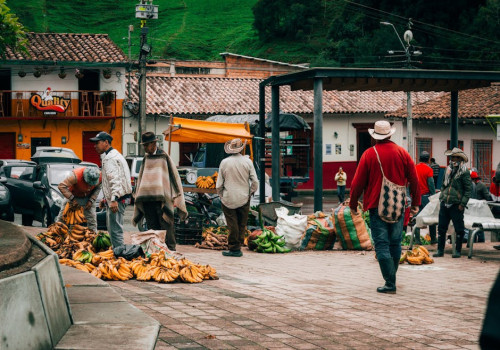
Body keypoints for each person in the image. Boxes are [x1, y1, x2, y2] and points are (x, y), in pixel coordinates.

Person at [349, 120, 420, 294]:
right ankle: (391, 279)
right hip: (398, 205)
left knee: (381, 244)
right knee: (395, 243)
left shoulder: (369, 154)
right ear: (390, 134)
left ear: (375, 136)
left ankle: (390, 282)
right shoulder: (403, 153)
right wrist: (416, 203)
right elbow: (414, 180)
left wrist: (352, 204)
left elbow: (357, 183)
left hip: (375, 204)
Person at [132, 131, 187, 251]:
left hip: (162, 199)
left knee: (166, 226)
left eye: (147, 145)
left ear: (153, 143)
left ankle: (171, 251)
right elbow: (142, 178)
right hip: (147, 199)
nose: (145, 148)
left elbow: (172, 176)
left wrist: (174, 195)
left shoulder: (163, 156)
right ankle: (157, 252)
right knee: (153, 229)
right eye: (144, 145)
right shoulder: (146, 158)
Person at [216, 138, 258, 257]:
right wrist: (251, 192)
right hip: (244, 197)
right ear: (241, 148)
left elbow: (219, 184)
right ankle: (238, 245)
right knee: (241, 223)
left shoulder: (224, 162)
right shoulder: (247, 162)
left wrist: (221, 194)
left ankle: (234, 248)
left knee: (232, 223)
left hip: (228, 197)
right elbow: (255, 181)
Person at [90, 131, 132, 249]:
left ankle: (119, 256)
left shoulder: (110, 158)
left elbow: (115, 180)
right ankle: (117, 252)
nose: (95, 146)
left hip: (118, 199)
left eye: (97, 143)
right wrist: (106, 198)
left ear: (106, 142)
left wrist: (113, 199)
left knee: (115, 231)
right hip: (118, 197)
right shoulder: (113, 155)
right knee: (114, 229)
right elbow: (112, 180)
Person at [433, 147, 472, 259]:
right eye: (452, 157)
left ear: (460, 159)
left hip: (456, 204)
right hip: (445, 202)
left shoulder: (464, 172)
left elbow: (468, 190)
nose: (453, 159)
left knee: (459, 229)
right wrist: (442, 196)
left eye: (455, 157)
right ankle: (440, 250)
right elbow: (443, 185)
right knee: (441, 228)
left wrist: (462, 204)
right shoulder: (447, 169)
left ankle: (458, 251)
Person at [56, 166, 102, 231]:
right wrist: (72, 198)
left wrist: (91, 200)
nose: (89, 186)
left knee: (92, 219)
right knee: (62, 217)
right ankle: (56, 233)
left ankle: (92, 236)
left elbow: (98, 188)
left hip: (89, 196)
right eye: (88, 183)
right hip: (73, 195)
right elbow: (61, 186)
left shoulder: (100, 177)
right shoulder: (75, 176)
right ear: (84, 177)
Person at [415, 151, 437, 244]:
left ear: (419, 159)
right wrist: (433, 196)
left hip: (416, 197)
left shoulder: (414, 168)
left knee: (417, 218)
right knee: (431, 217)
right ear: (428, 159)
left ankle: (417, 240)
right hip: (426, 197)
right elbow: (431, 184)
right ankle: (433, 239)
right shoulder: (429, 169)